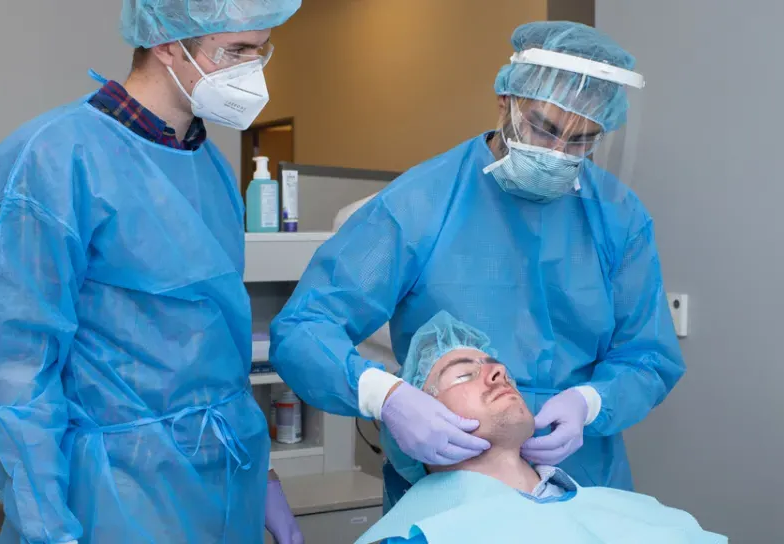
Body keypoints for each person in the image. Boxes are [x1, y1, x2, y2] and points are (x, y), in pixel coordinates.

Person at [270, 20, 685, 512]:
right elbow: (304, 328)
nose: (557, 153)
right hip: (448, 490)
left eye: (581, 141)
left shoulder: (617, 216)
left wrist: (590, 403)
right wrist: (386, 396)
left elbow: (648, 356)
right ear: (506, 100)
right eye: (544, 128)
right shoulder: (421, 203)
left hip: (584, 481)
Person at [0, 1, 304, 543]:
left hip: (225, 476)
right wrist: (49, 529)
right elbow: (15, 372)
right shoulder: (51, 156)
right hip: (113, 494)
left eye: (259, 51)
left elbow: (217, 347)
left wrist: (263, 475)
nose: (252, 70)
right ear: (169, 44)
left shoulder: (209, 165)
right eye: (236, 51)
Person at [355, 312, 725, 544]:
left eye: (498, 367)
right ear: (416, 422)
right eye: (464, 374)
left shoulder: (637, 516)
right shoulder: (422, 535)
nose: (498, 372)